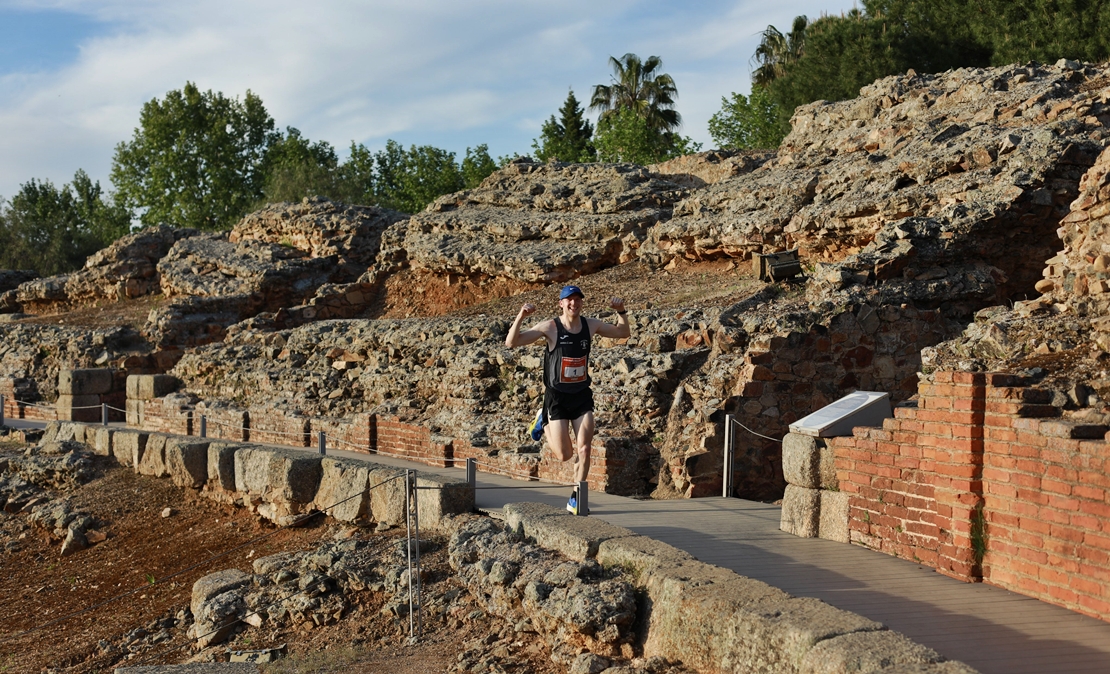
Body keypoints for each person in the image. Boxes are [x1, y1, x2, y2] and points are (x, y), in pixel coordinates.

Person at [504, 285, 631, 514]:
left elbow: (623, 333)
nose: (574, 303)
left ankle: (576, 498)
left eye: (577, 300)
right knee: (565, 455)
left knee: (584, 448)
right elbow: (511, 342)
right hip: (557, 397)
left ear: (582, 303)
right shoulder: (551, 327)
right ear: (561, 303)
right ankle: (542, 422)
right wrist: (521, 316)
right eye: (569, 300)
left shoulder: (590, 325)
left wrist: (621, 312)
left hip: (581, 395)